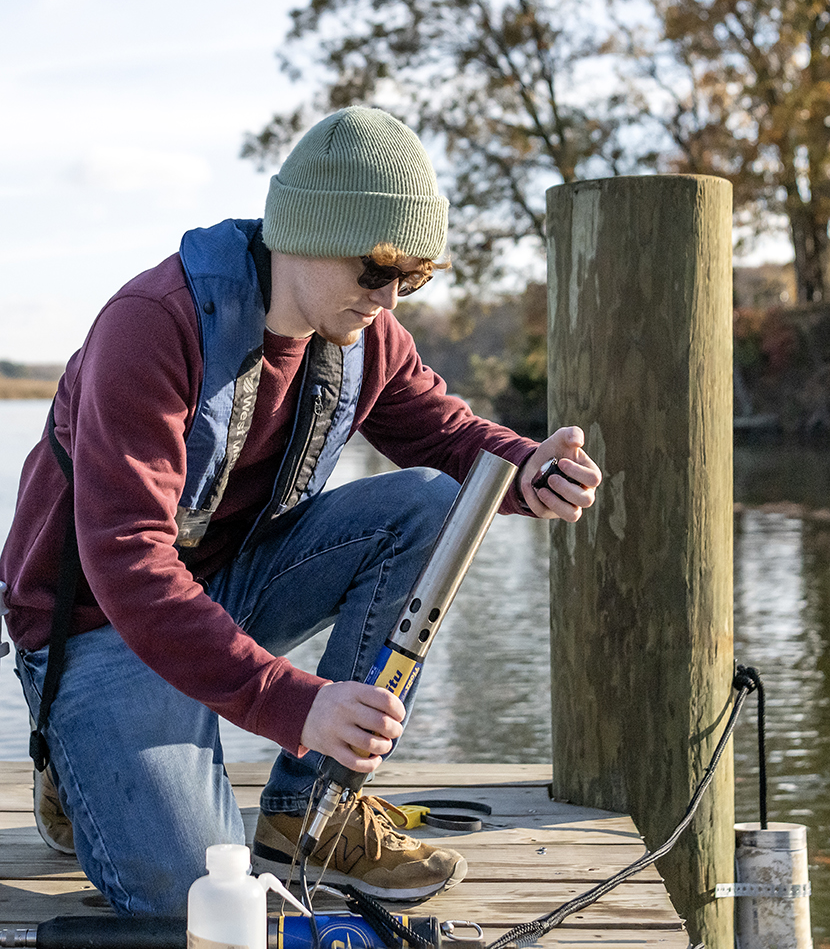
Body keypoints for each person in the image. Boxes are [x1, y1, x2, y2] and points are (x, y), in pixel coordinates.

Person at [0, 106, 601, 918]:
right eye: (376, 269)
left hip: (226, 586)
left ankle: (309, 816)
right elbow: (129, 565)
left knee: (431, 505)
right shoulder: (152, 327)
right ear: (305, 231)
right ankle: (75, 751)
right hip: (97, 625)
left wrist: (528, 470)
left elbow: (451, 436)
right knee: (197, 900)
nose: (389, 299)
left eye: (413, 278)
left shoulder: (367, 336)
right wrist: (296, 704)